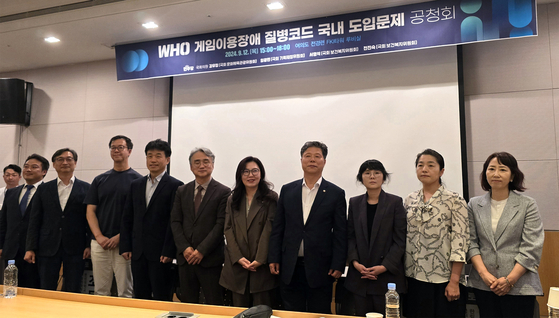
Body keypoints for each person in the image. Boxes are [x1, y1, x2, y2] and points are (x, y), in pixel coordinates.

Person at [268, 141, 347, 314]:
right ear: (301, 160)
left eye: (317, 156)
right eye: (308, 156)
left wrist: (339, 263)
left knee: (318, 312)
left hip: (321, 267)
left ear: (324, 161)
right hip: (290, 265)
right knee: (291, 312)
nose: (312, 160)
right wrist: (273, 257)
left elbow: (341, 232)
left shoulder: (335, 193)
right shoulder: (288, 190)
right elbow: (278, 227)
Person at [467, 152, 544, 318]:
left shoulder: (527, 204)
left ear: (512, 176)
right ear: (485, 173)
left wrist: (510, 280)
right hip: (484, 285)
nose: (496, 174)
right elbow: (471, 243)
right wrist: (484, 275)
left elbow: (532, 246)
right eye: (491, 169)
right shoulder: (474, 204)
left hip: (520, 285)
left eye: (502, 169)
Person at [403, 149, 469, 318]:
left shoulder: (455, 200)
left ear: (441, 171)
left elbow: (460, 241)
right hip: (413, 276)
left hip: (444, 279)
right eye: (420, 165)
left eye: (430, 165)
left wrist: (454, 281)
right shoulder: (410, 199)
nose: (424, 169)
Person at [120, 139, 183, 301]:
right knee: (140, 296)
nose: (153, 160)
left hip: (161, 253)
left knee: (162, 297)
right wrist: (126, 245)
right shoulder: (136, 185)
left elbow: (174, 221)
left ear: (167, 160)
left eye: (158, 156)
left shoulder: (176, 185)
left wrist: (169, 251)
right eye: (149, 156)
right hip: (138, 252)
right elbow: (128, 217)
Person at [345, 159, 407, 316]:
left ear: (384, 177)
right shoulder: (354, 203)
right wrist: (355, 262)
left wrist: (384, 267)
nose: (372, 176)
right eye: (367, 173)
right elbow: (350, 237)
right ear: (361, 178)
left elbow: (400, 240)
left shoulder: (395, 202)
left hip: (387, 277)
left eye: (377, 173)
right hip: (360, 276)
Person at [24, 148, 91, 292]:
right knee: (46, 287)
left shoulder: (87, 188)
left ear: (75, 163)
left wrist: (89, 244)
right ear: (54, 164)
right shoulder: (43, 189)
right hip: (47, 246)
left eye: (69, 159)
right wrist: (30, 247)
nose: (65, 162)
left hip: (76, 246)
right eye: (60, 159)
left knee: (73, 288)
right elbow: (35, 220)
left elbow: (90, 219)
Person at [171, 147, 230, 305]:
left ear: (213, 165)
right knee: (188, 304)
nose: (202, 165)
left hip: (210, 259)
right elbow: (175, 222)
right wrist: (186, 248)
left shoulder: (223, 192)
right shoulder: (182, 191)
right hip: (186, 259)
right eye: (197, 162)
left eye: (206, 162)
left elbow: (220, 224)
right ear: (191, 167)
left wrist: (201, 250)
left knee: (213, 304)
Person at [84, 135, 142, 297]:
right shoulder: (100, 180)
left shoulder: (138, 181)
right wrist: (99, 236)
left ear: (129, 151)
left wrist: (121, 237)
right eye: (113, 147)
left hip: (124, 245)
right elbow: (90, 211)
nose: (116, 150)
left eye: (120, 147)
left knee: (126, 292)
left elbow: (138, 217)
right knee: (100, 291)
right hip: (99, 243)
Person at [219, 156, 279, 307]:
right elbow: (228, 228)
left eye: (254, 171)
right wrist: (238, 257)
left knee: (261, 311)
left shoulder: (271, 198)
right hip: (237, 265)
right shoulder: (232, 199)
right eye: (245, 171)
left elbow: (269, 229)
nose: (250, 175)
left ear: (261, 173)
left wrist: (260, 259)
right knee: (239, 312)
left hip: (261, 266)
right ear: (240, 175)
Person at [0, 154, 49, 288]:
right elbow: (3, 222)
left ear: (44, 172)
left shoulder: (48, 192)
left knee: (32, 289)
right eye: (26, 166)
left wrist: (32, 247)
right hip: (11, 250)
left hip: (36, 252)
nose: (28, 170)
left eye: (34, 167)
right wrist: (1, 245)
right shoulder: (12, 193)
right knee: (10, 289)